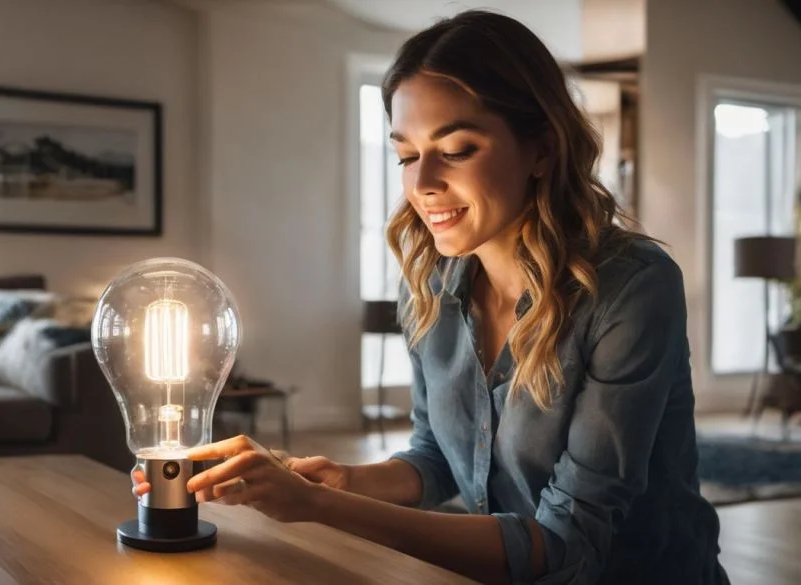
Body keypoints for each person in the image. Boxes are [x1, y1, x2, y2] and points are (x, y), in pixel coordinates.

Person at [133, 9, 729, 585]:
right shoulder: (430, 286)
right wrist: (336, 480)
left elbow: (565, 547)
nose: (421, 185)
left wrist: (318, 509)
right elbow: (440, 459)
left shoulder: (631, 286)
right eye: (406, 155)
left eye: (458, 149)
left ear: (542, 149)